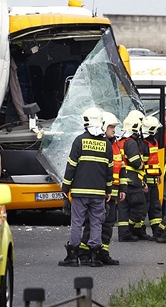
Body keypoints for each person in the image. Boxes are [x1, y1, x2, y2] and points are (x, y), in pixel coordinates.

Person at [58, 107, 113, 268]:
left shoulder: (79, 141)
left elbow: (71, 166)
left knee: (77, 222)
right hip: (98, 193)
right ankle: (95, 256)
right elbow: (109, 171)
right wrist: (108, 191)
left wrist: (65, 187)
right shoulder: (106, 145)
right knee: (96, 223)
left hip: (80, 191)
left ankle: (73, 256)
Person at [78, 111, 125, 266]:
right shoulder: (101, 144)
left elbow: (121, 168)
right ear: (103, 126)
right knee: (94, 222)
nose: (113, 130)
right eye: (111, 127)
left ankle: (102, 252)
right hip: (102, 191)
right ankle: (85, 253)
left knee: (108, 223)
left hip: (113, 190)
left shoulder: (116, 145)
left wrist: (122, 188)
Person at [116, 110, 148, 242]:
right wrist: (142, 166)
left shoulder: (120, 140)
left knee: (123, 207)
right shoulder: (131, 142)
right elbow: (135, 161)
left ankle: (124, 233)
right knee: (138, 205)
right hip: (133, 180)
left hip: (124, 179)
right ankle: (129, 230)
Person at [140, 115, 163, 239]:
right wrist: (143, 181)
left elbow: (156, 160)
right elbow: (142, 165)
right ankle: (141, 231)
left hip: (154, 180)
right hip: (146, 182)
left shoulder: (154, 142)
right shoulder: (143, 144)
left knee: (155, 207)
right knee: (144, 207)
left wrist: (158, 173)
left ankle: (157, 232)